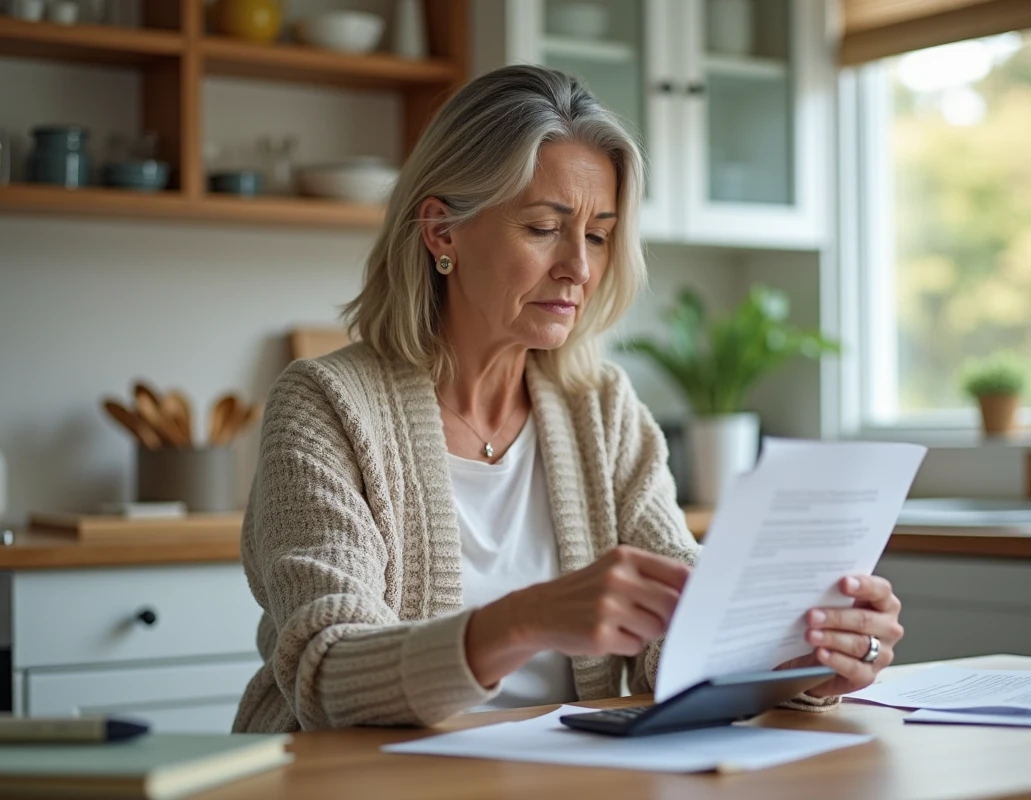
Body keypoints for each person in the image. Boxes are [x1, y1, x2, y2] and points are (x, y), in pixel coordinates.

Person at [233, 65, 905, 733]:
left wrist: (802, 656)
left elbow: (675, 638)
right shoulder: (324, 405)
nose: (578, 269)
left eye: (597, 235)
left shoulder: (602, 407)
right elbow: (325, 674)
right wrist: (527, 618)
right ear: (441, 232)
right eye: (543, 228)